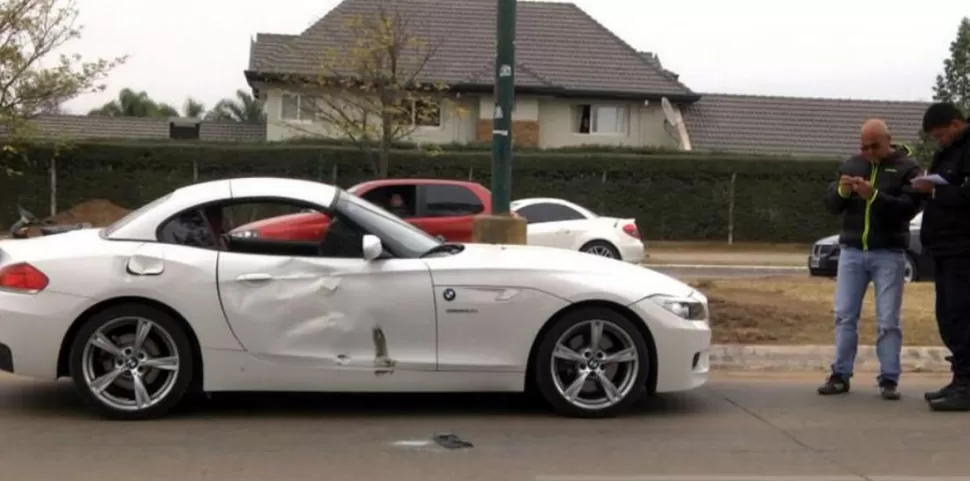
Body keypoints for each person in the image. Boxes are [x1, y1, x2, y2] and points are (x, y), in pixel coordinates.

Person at [817, 119, 922, 400]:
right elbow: (830, 205)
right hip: (852, 251)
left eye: (874, 146)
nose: (868, 152)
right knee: (844, 315)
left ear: (889, 140)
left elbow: (907, 210)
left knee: (888, 319)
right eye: (863, 146)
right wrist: (842, 191)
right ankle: (840, 374)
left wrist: (873, 196)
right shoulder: (852, 164)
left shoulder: (907, 168)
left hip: (888, 253)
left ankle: (889, 378)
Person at [910, 102, 970, 412]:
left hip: (963, 249)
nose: (939, 140)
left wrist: (935, 192)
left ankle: (967, 386)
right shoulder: (949, 152)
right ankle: (959, 377)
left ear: (956, 124)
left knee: (962, 315)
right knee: (948, 317)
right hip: (944, 248)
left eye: (941, 134)